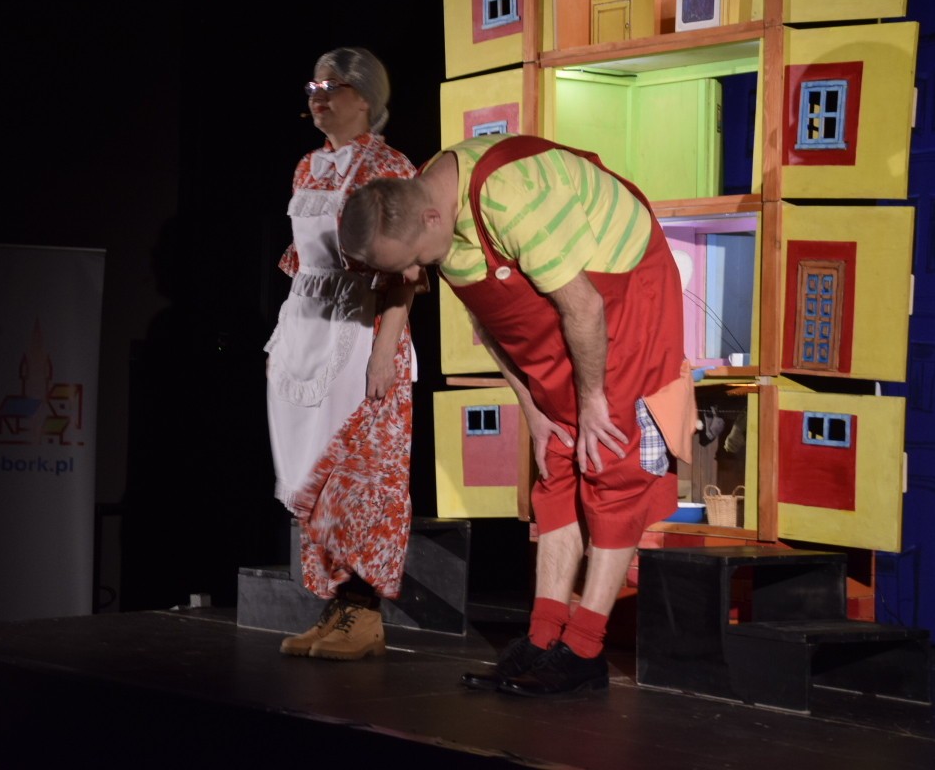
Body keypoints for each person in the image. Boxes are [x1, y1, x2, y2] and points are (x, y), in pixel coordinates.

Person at [339, 133, 694, 695]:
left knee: (611, 463)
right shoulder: (426, 200)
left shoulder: (510, 196)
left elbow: (585, 306)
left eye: (413, 263)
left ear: (431, 218)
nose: (413, 277)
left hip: (623, 300)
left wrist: (593, 400)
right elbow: (493, 323)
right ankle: (544, 636)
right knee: (556, 464)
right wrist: (532, 408)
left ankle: (585, 650)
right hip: (567, 317)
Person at [264, 47, 425, 661]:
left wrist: (385, 348)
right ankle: (335, 605)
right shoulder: (307, 167)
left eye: (333, 87)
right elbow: (303, 262)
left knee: (361, 474)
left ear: (366, 97)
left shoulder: (389, 165)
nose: (319, 97)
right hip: (307, 332)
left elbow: (407, 269)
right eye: (314, 87)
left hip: (362, 330)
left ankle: (366, 611)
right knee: (314, 473)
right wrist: (286, 341)